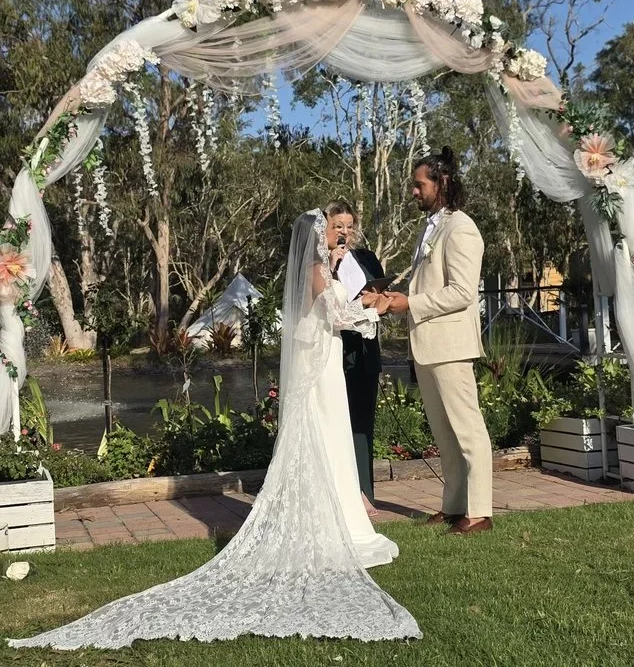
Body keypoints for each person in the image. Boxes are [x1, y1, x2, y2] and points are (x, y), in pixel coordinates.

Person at [8, 210, 421, 650]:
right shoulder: (316, 270)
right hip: (322, 369)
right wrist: (373, 311)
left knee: (326, 442)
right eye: (328, 233)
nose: (334, 237)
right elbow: (336, 316)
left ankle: (339, 513)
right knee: (326, 440)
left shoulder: (318, 269)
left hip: (323, 365)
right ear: (315, 239)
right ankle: (337, 523)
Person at [384, 147, 493, 535]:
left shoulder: (461, 227)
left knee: (467, 430)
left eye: (419, 185)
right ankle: (453, 506)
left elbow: (462, 292)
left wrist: (410, 303)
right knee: (444, 434)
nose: (413, 191)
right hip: (427, 345)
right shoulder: (430, 227)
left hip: (450, 346)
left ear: (441, 184)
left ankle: (479, 512)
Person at [324, 200, 385, 517]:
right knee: (336, 425)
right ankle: (340, 496)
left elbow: (377, 297)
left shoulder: (367, 258)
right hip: (333, 352)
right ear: (326, 228)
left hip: (364, 349)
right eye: (338, 226)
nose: (345, 232)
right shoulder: (319, 263)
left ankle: (365, 491)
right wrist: (334, 266)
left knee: (362, 424)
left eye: (350, 226)